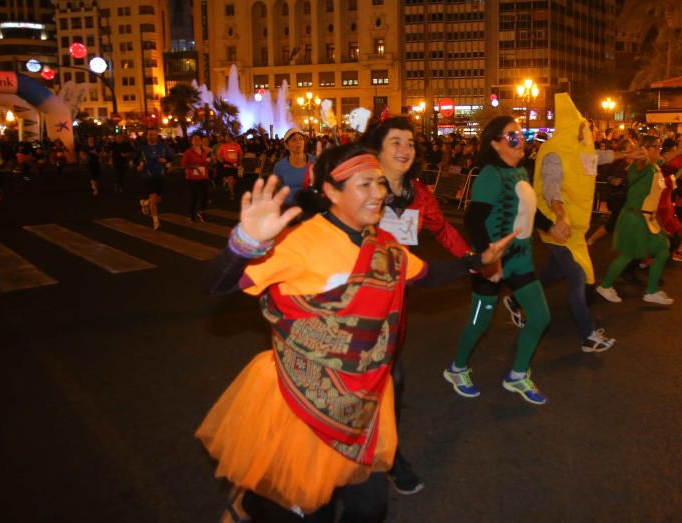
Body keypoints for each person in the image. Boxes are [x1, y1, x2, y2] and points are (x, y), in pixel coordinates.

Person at [197, 146, 513, 522]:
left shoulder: (383, 245)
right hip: (304, 401)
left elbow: (426, 275)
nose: (379, 192)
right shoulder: (299, 242)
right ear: (332, 191)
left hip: (365, 400)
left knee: (370, 509)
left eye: (380, 183)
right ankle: (249, 504)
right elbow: (218, 284)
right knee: (307, 507)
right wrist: (244, 242)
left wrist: (477, 262)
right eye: (365, 184)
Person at [363, 116, 472, 496]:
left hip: (395, 301)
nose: (405, 149)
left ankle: (389, 455)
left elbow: (443, 229)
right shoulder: (358, 187)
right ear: (376, 148)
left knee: (393, 380)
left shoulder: (419, 195)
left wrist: (474, 259)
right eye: (395, 141)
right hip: (349, 301)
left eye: (409, 142)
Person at [444, 116, 552, 406]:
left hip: (520, 261)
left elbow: (531, 209)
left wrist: (551, 226)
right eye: (512, 136)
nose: (521, 141)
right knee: (479, 322)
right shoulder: (491, 174)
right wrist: (487, 261)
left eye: (521, 135)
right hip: (493, 262)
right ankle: (456, 369)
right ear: (495, 143)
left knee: (540, 317)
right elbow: (473, 218)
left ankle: (517, 375)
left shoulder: (520, 172)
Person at [526, 94, 615, 353]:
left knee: (552, 273)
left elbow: (597, 157)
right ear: (569, 127)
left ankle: (517, 301)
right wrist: (561, 216)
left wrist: (625, 153)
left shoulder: (576, 151)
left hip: (571, 228)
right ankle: (587, 334)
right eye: (582, 126)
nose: (586, 130)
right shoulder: (555, 153)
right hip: (558, 227)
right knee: (576, 277)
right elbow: (551, 189)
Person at [594, 135, 675, 306]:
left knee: (662, 251)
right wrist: (637, 154)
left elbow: (664, 159)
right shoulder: (640, 166)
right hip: (636, 218)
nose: (660, 149)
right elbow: (639, 166)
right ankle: (605, 285)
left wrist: (680, 150)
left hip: (647, 218)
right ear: (648, 149)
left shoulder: (653, 165)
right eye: (657, 146)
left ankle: (651, 292)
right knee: (628, 255)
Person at [135, 128, 174, 230]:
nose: (152, 136)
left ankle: (144, 203)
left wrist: (165, 160)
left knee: (158, 199)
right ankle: (156, 221)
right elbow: (134, 159)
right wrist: (138, 166)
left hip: (160, 175)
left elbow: (171, 157)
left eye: (154, 134)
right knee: (153, 198)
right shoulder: (142, 148)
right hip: (148, 175)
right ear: (146, 136)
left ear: (157, 136)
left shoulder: (163, 147)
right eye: (150, 135)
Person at [272, 129, 315, 205]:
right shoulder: (280, 166)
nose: (298, 142)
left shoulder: (315, 162)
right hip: (288, 208)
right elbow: (276, 190)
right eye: (294, 139)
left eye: (301, 139)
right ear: (286, 145)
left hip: (310, 208)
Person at [181, 134, 210, 223]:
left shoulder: (204, 151)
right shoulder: (188, 152)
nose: (197, 141)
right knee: (195, 196)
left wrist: (209, 162)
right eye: (195, 139)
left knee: (206, 195)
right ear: (192, 141)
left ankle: (200, 211)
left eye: (198, 139)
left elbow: (206, 163)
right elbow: (183, 165)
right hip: (192, 177)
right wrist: (194, 166)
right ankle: (191, 215)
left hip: (203, 176)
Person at [217, 131, 243, 201]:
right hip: (227, 166)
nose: (224, 138)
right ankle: (232, 194)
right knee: (231, 180)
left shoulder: (237, 146)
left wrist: (240, 164)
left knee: (234, 180)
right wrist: (221, 160)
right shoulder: (223, 146)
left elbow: (240, 155)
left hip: (235, 166)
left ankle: (226, 182)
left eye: (226, 137)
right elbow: (218, 155)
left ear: (230, 138)